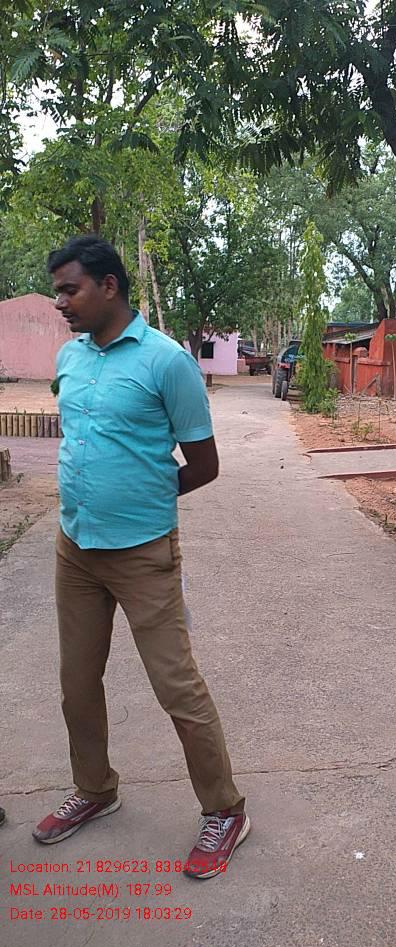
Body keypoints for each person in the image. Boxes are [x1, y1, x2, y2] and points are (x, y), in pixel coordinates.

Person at [32, 236, 249, 878]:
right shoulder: (70, 357)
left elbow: (204, 464)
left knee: (176, 686)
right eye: (57, 290)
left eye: (69, 289)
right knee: (77, 684)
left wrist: (143, 494)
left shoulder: (166, 362)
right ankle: (95, 788)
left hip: (143, 551)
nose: (60, 302)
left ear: (109, 286)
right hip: (75, 548)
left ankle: (225, 809)